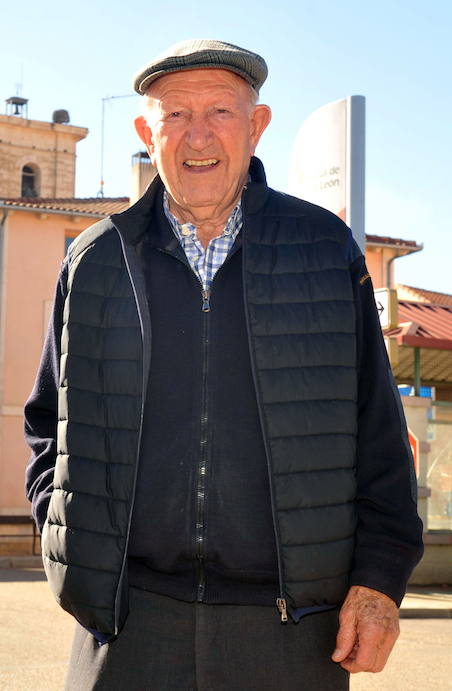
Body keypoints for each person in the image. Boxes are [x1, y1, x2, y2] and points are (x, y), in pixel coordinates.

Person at [24, 39, 423, 689]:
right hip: (127, 626)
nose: (197, 135)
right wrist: (74, 552)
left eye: (220, 112)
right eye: (175, 115)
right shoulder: (96, 259)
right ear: (145, 131)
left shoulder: (323, 251)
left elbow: (378, 433)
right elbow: (48, 424)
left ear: (257, 125)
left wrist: (379, 579)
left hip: (291, 630)